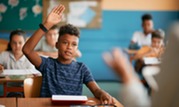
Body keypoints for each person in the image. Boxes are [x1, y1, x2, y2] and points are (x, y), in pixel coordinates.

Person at [22, 4, 114, 104]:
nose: (69, 47)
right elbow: (27, 50)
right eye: (65, 42)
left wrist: (102, 93)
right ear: (57, 45)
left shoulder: (82, 68)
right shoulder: (47, 64)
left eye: (74, 44)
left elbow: (96, 90)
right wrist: (47, 25)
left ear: (77, 48)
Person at [103, 22, 179, 107]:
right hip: (146, 71)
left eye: (159, 42)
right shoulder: (147, 48)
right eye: (154, 42)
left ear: (163, 43)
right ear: (151, 41)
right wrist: (148, 53)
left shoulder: (166, 52)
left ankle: (147, 88)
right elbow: (135, 57)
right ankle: (145, 85)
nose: (156, 44)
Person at [0, 29, 35, 97]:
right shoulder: (4, 55)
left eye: (20, 43)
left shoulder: (30, 57)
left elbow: (31, 75)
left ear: (25, 43)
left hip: (26, 89)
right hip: (8, 89)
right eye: (14, 43)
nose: (17, 46)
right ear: (10, 43)